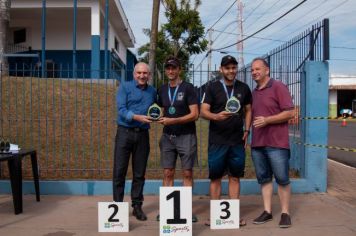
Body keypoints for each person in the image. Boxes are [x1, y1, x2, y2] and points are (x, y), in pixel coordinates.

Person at [200, 55, 252, 226]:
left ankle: (233, 216)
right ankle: (215, 215)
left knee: (235, 177)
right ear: (221, 70)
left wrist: (247, 129)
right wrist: (216, 116)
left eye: (233, 68)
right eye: (227, 68)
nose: (231, 71)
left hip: (236, 140)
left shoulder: (244, 88)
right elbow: (203, 111)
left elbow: (248, 110)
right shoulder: (213, 87)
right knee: (215, 178)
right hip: (217, 140)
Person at [250, 58, 294, 228]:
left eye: (257, 69)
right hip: (258, 144)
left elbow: (290, 112)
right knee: (264, 179)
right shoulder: (254, 93)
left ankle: (285, 213)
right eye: (252, 70)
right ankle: (267, 211)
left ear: (267, 70)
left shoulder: (278, 87)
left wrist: (267, 120)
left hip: (277, 144)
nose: (254, 72)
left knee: (282, 179)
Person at [157, 56, 199, 222]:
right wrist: (157, 116)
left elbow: (195, 115)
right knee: (168, 172)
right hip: (167, 137)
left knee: (187, 173)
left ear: (179, 69)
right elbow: (159, 110)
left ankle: (186, 211)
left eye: (173, 68)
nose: (170, 71)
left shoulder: (188, 88)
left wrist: (172, 120)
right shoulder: (161, 89)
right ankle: (167, 210)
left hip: (186, 136)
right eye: (168, 68)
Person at [112, 62, 156, 221]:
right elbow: (121, 109)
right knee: (119, 172)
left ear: (149, 75)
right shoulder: (125, 87)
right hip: (124, 133)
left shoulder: (153, 91)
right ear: (134, 74)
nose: (142, 76)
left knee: (139, 173)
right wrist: (136, 117)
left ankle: (137, 206)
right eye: (139, 73)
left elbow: (156, 108)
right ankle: (117, 206)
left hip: (143, 134)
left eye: (145, 73)